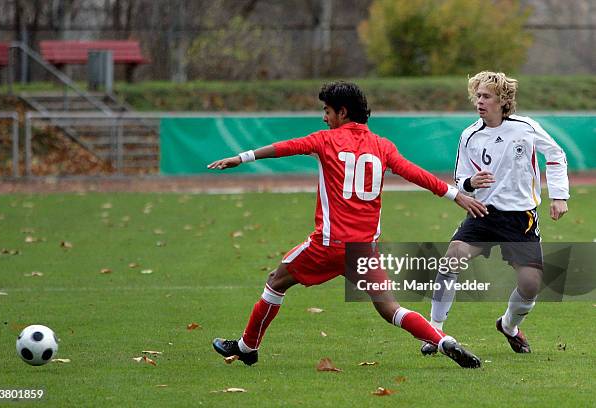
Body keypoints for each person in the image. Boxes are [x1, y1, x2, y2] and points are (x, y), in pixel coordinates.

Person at [208, 81, 488, 369]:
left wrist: (242, 158)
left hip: (327, 246)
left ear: (342, 112)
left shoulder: (324, 141)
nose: (324, 117)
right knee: (390, 308)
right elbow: (415, 173)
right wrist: (456, 195)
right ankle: (442, 341)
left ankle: (247, 347)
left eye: (327, 111)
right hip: (364, 250)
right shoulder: (383, 146)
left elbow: (284, 148)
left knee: (275, 282)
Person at [421, 71, 570, 356]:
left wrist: (559, 195)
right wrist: (470, 183)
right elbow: (460, 179)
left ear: (503, 101)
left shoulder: (525, 127)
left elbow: (556, 155)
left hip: (520, 219)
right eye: (477, 95)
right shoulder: (470, 135)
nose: (479, 101)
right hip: (483, 214)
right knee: (451, 258)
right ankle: (433, 330)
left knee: (530, 285)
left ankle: (509, 326)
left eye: (486, 96)